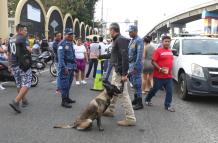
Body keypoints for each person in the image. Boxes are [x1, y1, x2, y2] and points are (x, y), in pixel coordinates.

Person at [103, 23, 136, 126]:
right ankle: (111, 110)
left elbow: (124, 57)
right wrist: (99, 56)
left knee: (123, 94)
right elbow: (113, 55)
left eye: (109, 30)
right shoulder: (117, 39)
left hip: (120, 72)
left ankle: (130, 118)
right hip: (117, 71)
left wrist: (124, 74)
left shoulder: (120, 39)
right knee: (112, 91)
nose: (108, 33)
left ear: (113, 30)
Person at [144, 35, 175, 112]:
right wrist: (160, 69)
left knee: (170, 91)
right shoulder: (158, 51)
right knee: (154, 90)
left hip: (168, 76)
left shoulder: (170, 51)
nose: (167, 43)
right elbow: (153, 61)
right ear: (162, 42)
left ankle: (167, 105)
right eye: (165, 41)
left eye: (168, 41)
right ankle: (147, 99)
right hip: (158, 76)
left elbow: (170, 62)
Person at [8, 24, 32, 113]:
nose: (26, 32)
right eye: (25, 30)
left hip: (14, 65)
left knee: (19, 84)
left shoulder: (11, 39)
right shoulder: (22, 38)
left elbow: (9, 53)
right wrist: (31, 50)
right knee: (27, 83)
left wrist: (10, 65)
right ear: (20, 30)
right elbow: (29, 49)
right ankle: (16, 101)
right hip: (22, 64)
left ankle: (24, 100)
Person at [57, 28, 77, 108]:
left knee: (69, 84)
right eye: (70, 34)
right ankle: (63, 101)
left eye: (72, 34)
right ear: (65, 35)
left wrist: (75, 66)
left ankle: (67, 98)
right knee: (64, 85)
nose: (72, 36)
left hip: (71, 66)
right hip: (65, 67)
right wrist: (64, 67)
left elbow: (73, 56)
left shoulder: (70, 43)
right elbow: (60, 58)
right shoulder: (62, 44)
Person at [128, 25, 144, 110]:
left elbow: (139, 55)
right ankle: (135, 98)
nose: (129, 33)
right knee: (133, 82)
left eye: (130, 32)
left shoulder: (139, 40)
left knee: (137, 84)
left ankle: (139, 103)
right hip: (131, 65)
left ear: (135, 31)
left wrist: (136, 67)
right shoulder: (132, 40)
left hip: (135, 65)